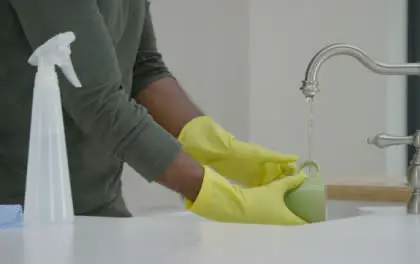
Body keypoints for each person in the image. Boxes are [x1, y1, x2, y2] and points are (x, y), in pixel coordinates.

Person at [0, 0, 307, 225]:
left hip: (98, 211)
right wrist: (224, 198)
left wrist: (221, 150)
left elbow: (143, 68)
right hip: (20, 219)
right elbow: (98, 101)